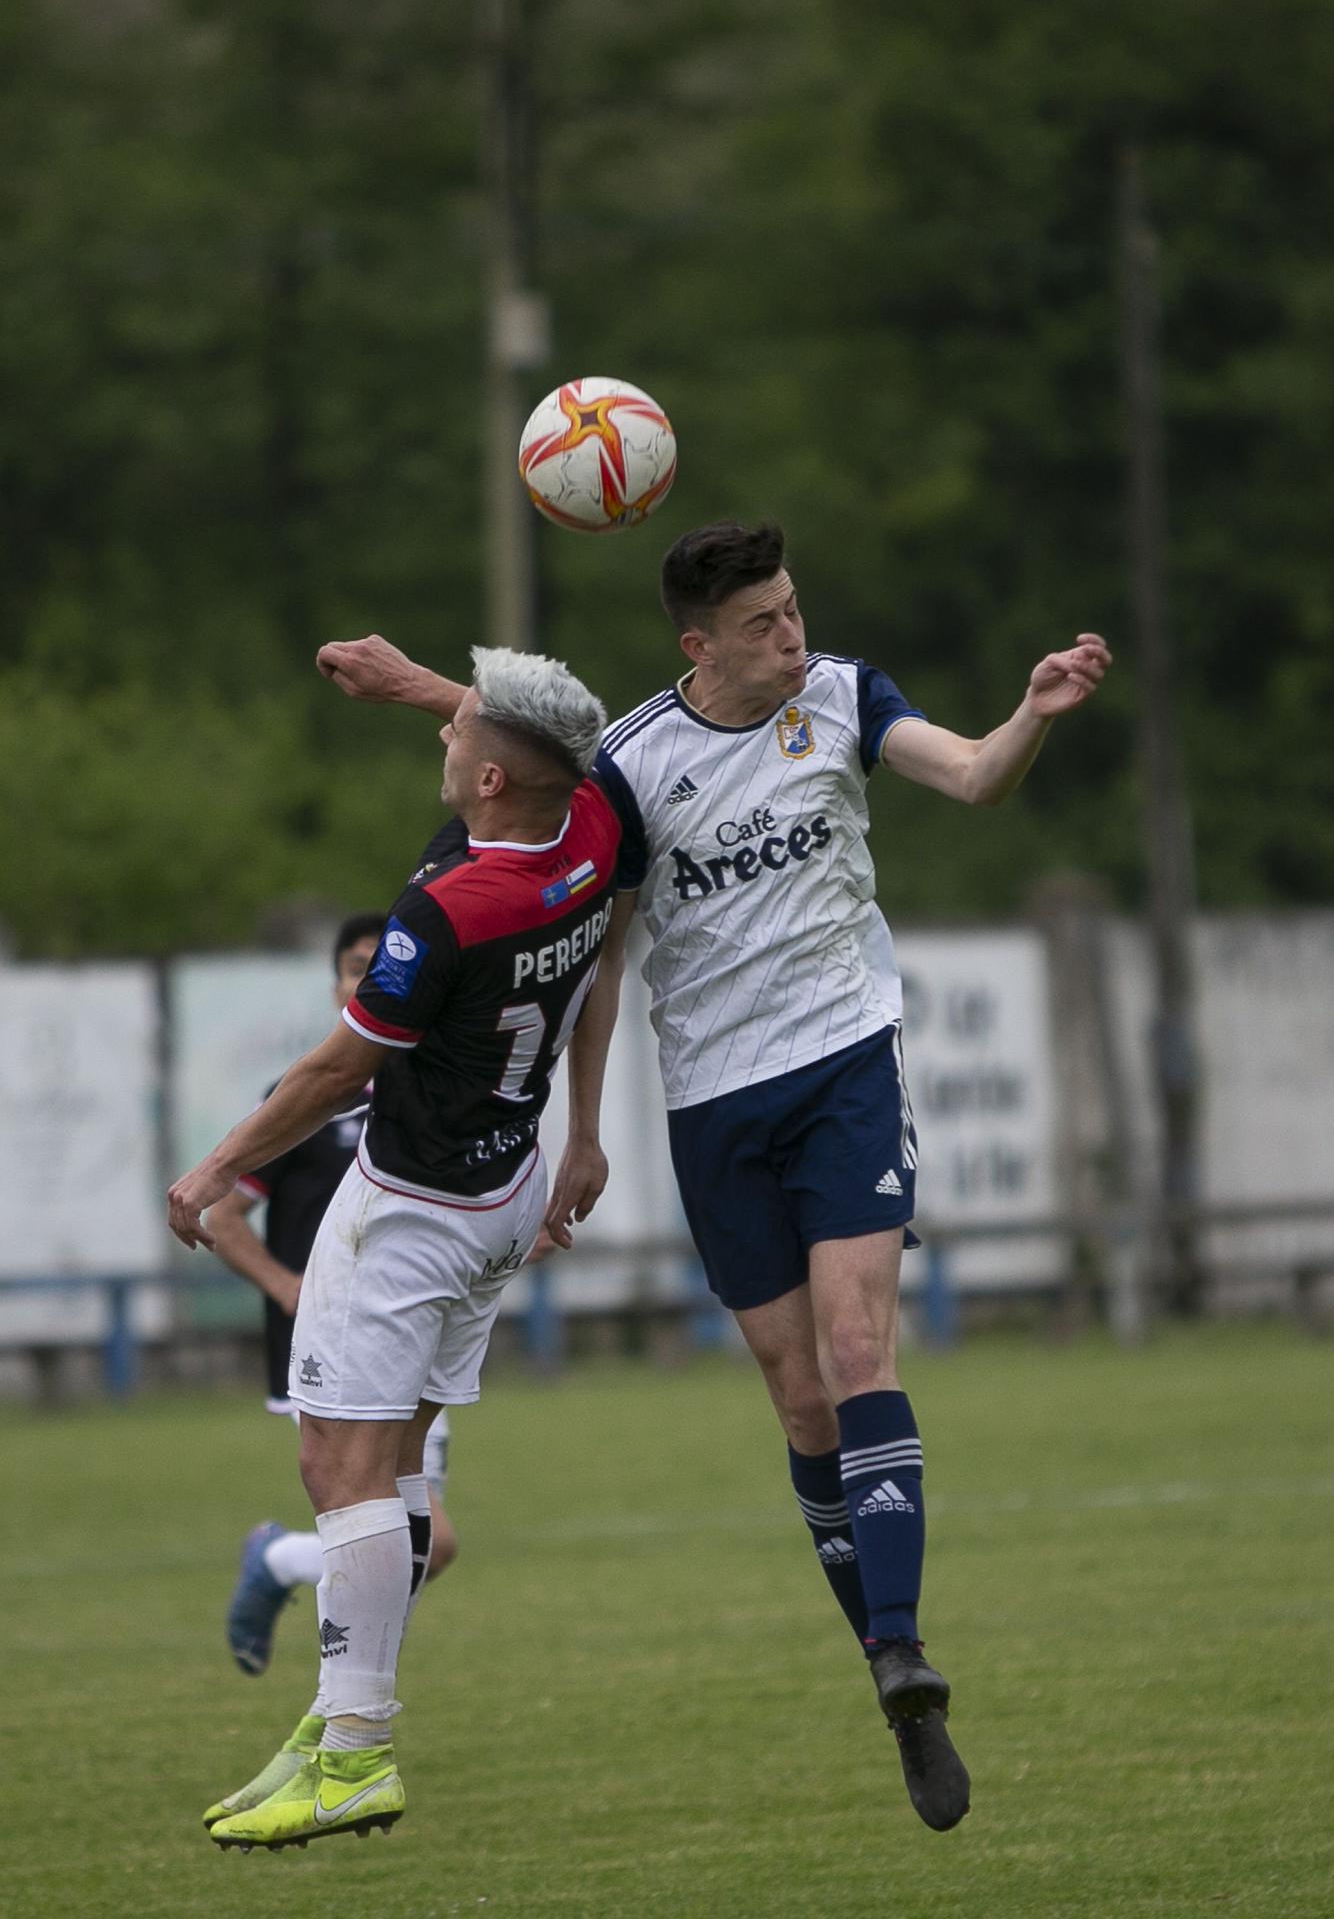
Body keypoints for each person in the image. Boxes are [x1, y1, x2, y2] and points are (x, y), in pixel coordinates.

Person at [315, 525, 1112, 1835]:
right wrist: (582, 1130)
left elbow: (970, 779)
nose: (790, 637)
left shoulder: (844, 699)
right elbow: (601, 950)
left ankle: (906, 1646)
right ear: (699, 644)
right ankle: (884, 1673)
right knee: (797, 1397)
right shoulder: (634, 766)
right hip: (713, 1100)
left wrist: (1028, 711)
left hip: (846, 1061)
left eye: (793, 610)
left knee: (858, 1347)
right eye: (762, 625)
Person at [168, 645, 617, 1852]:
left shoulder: (448, 909)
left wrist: (214, 1169)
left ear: (483, 780)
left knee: (335, 1467)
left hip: (411, 1210)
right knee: (404, 1463)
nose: (442, 729)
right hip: (506, 1193)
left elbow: (334, 1071)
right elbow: (554, 748)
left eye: (454, 727)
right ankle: (334, 1719)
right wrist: (416, 680)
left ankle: (356, 1748)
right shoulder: (589, 831)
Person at [205, 912, 458, 1687]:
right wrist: (287, 1289)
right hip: (326, 1343)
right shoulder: (305, 1095)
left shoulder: (434, 1091)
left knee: (417, 1542)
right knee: (417, 1539)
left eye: (380, 967)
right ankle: (344, 1705)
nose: (366, 979)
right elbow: (222, 1216)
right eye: (354, 968)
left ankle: (283, 1567)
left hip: (411, 1332)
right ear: (336, 988)